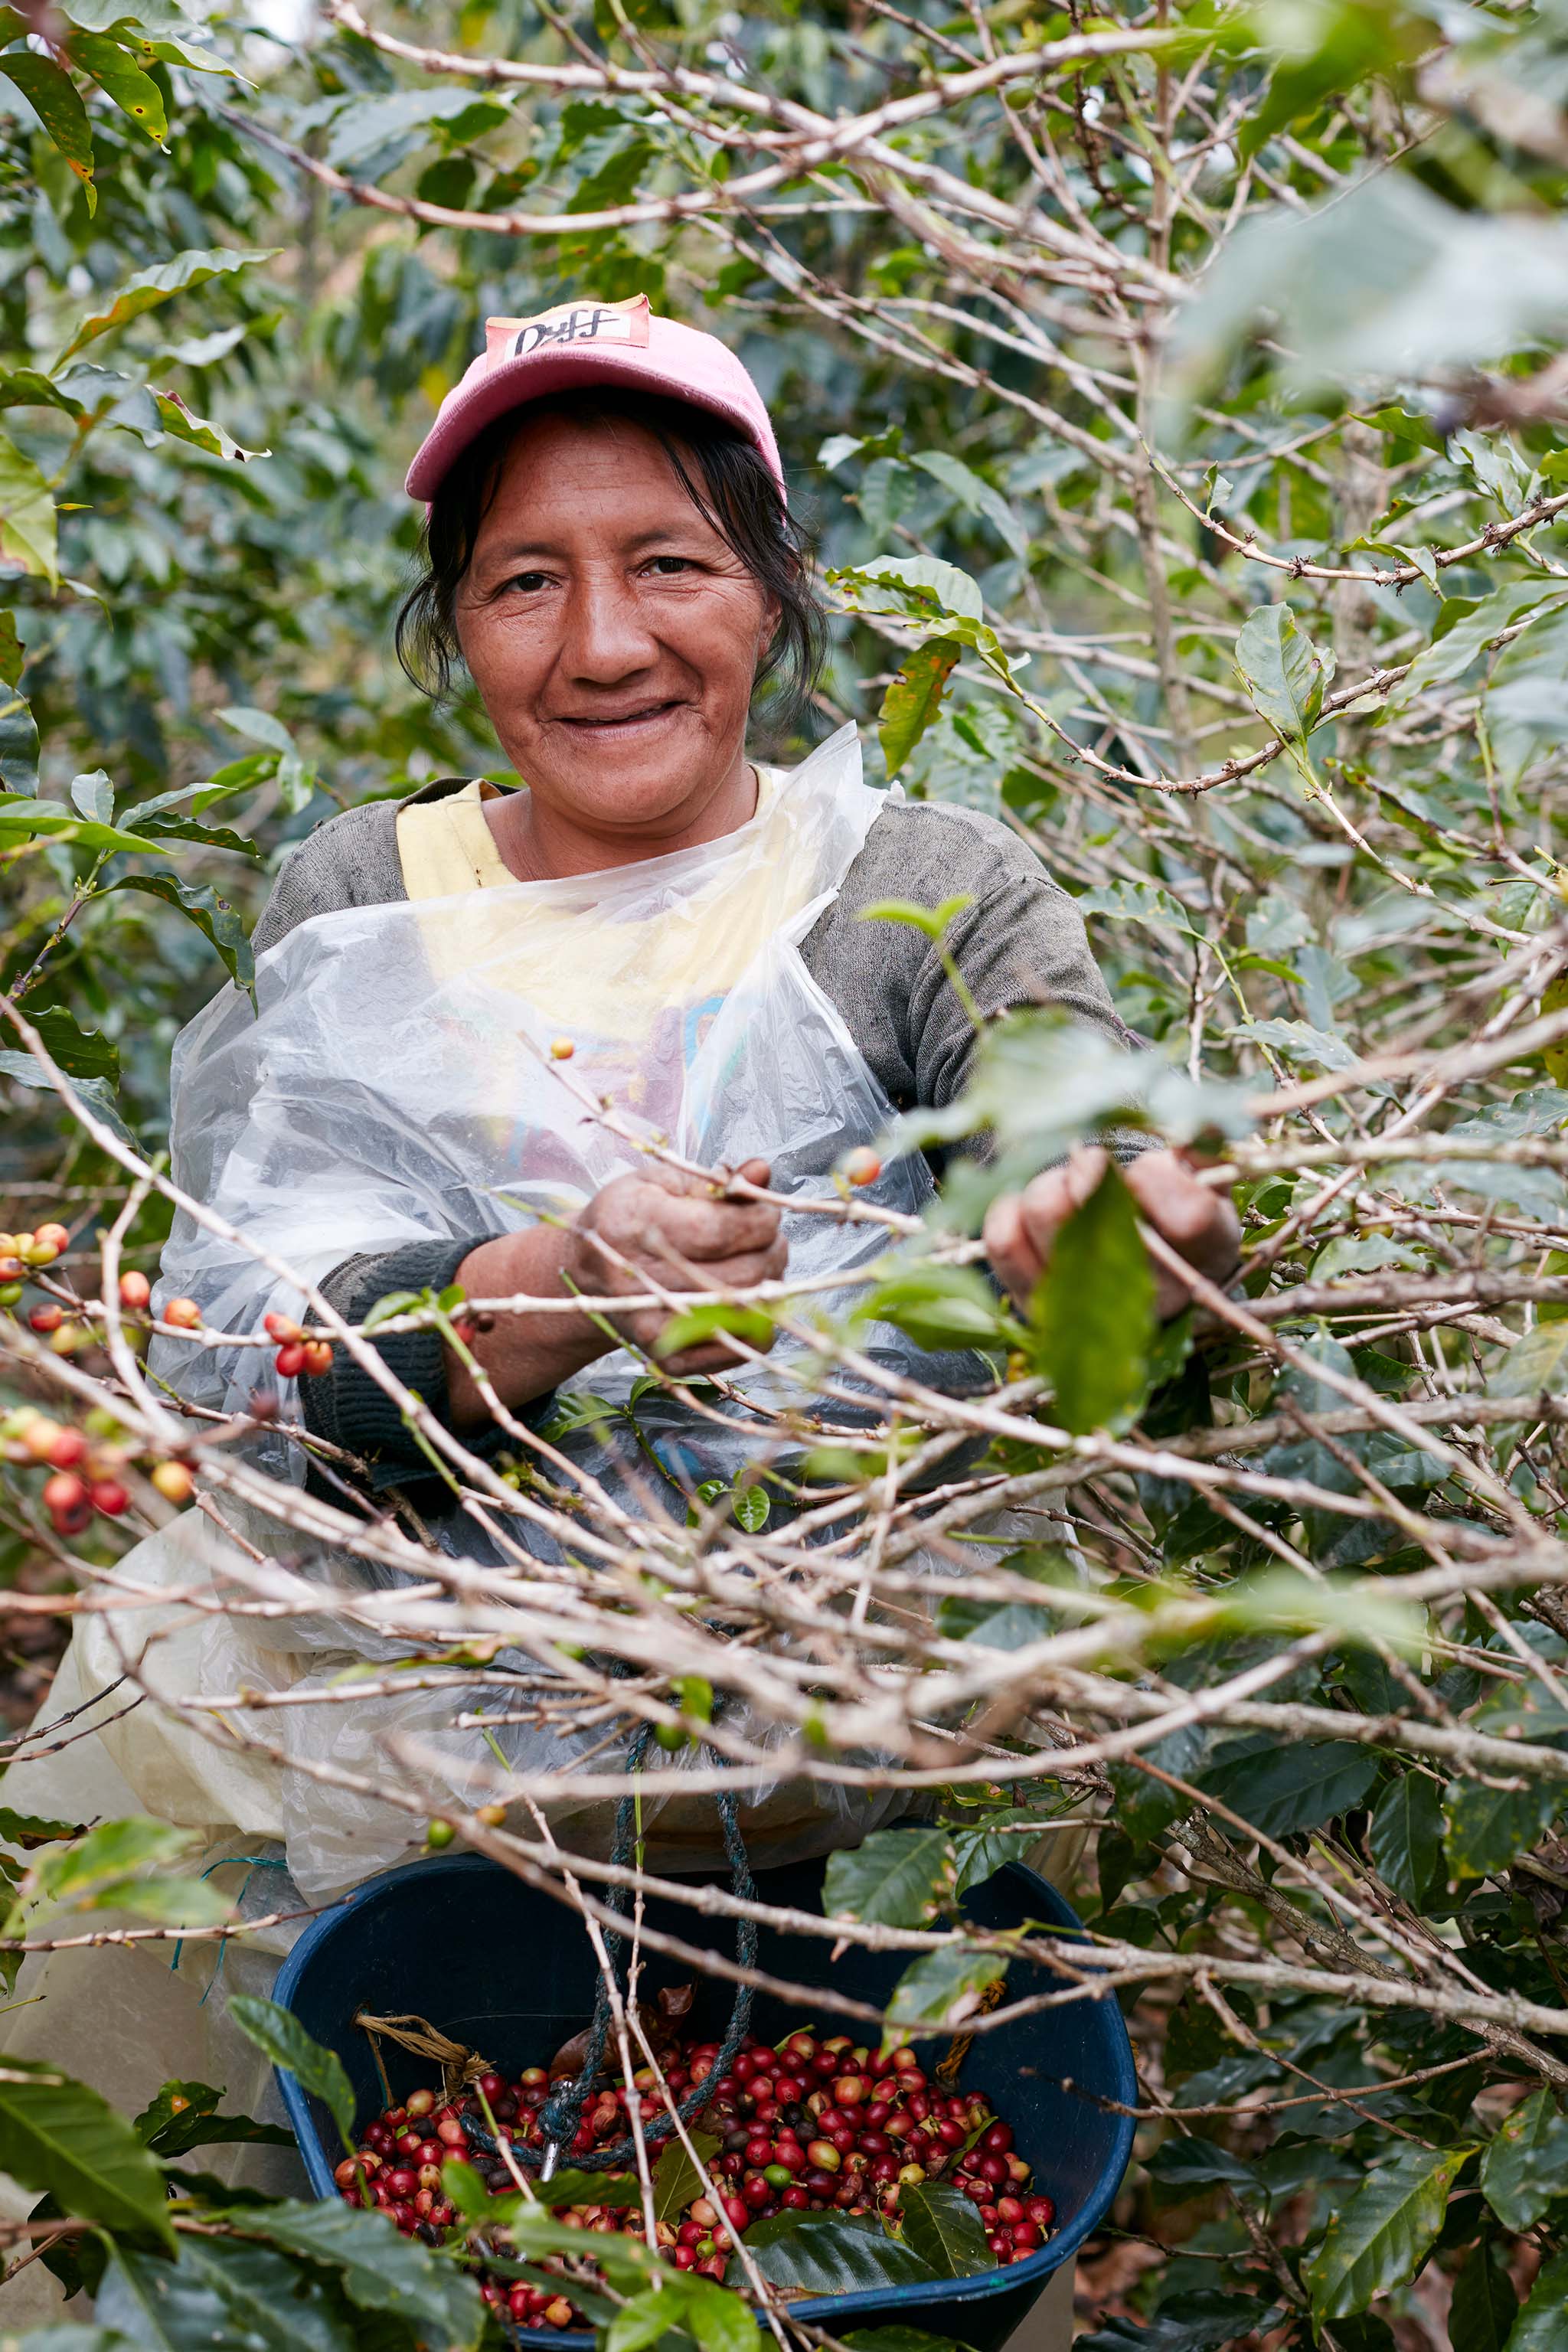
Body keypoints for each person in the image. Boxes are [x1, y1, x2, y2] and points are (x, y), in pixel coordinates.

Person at [243, 293, 1240, 1495]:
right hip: (422, 1651)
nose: (605, 646)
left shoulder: (927, 891)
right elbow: (277, 1364)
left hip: (876, 1641)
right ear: (457, 623)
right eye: (524, 583)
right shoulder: (363, 901)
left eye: (669, 563)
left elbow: (1079, 1166)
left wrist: (1128, 1229)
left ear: (772, 592)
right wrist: (572, 1283)